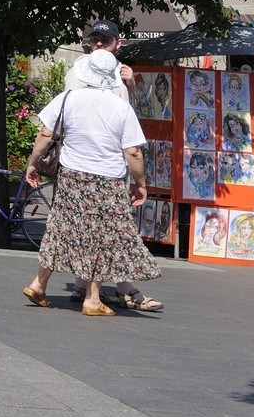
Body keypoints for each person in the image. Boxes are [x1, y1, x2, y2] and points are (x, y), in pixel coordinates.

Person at [22, 50, 161, 316]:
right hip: (107, 180)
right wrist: (141, 182)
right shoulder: (121, 106)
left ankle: (39, 284)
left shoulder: (68, 98)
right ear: (111, 76)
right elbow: (132, 152)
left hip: (72, 175)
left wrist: (32, 164)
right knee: (101, 235)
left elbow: (44, 134)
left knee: (60, 228)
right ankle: (92, 299)